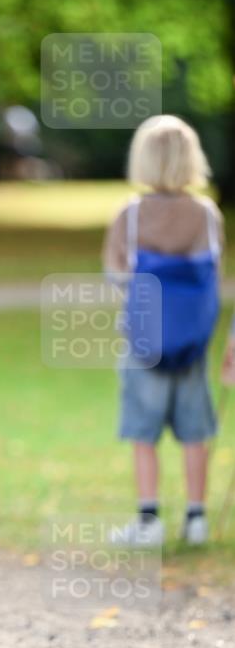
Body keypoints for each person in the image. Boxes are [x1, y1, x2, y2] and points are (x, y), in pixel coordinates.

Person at [102, 115, 224, 547]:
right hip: (193, 343)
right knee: (195, 431)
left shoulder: (131, 216)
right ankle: (196, 518)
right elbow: (216, 278)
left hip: (145, 342)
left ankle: (149, 519)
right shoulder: (207, 215)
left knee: (143, 431)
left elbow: (115, 274)